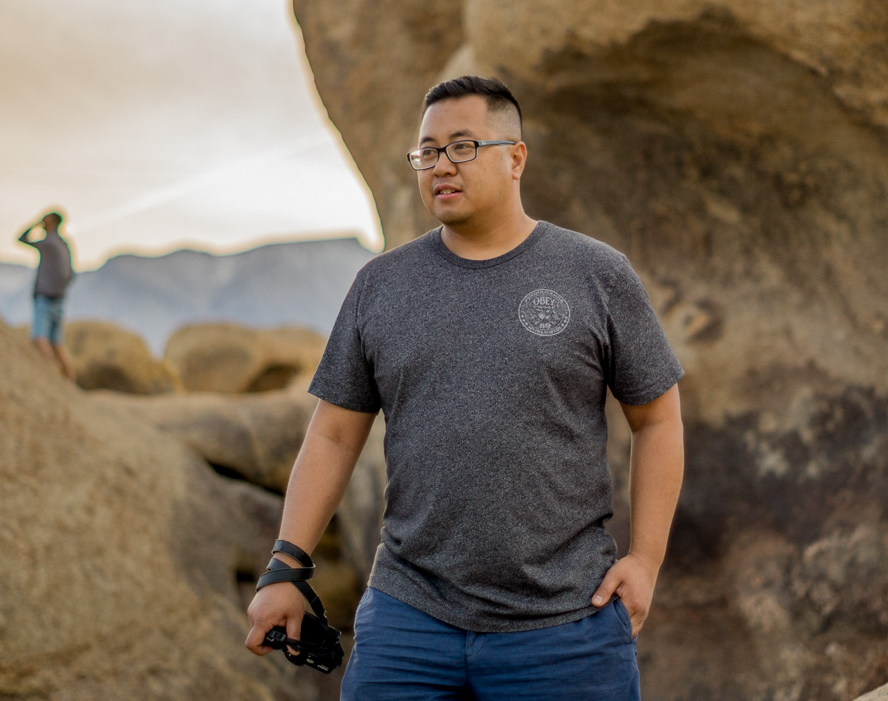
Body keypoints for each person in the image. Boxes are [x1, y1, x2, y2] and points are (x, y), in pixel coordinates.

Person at [245, 75, 685, 699]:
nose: (441, 166)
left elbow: (658, 419)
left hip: (568, 625)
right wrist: (285, 568)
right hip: (408, 622)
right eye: (427, 152)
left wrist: (645, 561)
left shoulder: (595, 273)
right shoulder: (382, 286)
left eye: (462, 146)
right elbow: (334, 435)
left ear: (516, 158)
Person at [18, 211, 75, 382]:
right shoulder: (64, 244)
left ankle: (50, 379)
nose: (43, 222)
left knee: (39, 339)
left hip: (45, 297)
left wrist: (35, 224)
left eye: (45, 220)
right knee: (56, 343)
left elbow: (22, 239)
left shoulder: (48, 243)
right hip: (59, 298)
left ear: (51, 223)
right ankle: (70, 381)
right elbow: (71, 273)